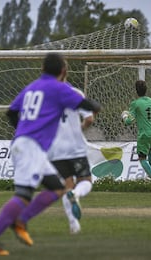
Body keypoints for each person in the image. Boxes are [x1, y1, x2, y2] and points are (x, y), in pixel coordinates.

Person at [0, 53, 101, 256]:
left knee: (57, 188)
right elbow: (88, 106)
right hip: (30, 147)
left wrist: (24, 129)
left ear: (42, 69)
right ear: (63, 71)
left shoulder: (31, 87)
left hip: (28, 145)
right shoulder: (59, 87)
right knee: (24, 195)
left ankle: (21, 221)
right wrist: (96, 107)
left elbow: (11, 112)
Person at [48, 68, 94, 235]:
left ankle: (74, 225)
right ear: (65, 72)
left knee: (67, 185)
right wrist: (79, 129)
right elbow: (89, 118)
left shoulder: (44, 94)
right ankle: (76, 193)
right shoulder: (74, 93)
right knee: (86, 181)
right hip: (75, 148)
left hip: (55, 149)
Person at [121, 80, 151, 193]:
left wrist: (124, 116)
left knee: (142, 158)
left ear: (136, 90)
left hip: (144, 134)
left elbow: (129, 122)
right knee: (150, 150)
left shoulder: (135, 103)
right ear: (146, 89)